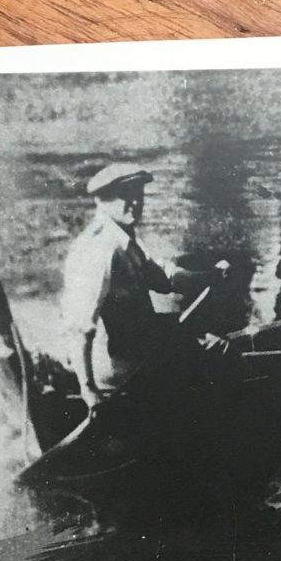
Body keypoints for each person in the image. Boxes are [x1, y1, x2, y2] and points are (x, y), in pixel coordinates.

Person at [61, 162, 228, 409]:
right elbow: (80, 328)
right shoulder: (99, 249)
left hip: (134, 349)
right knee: (219, 354)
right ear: (102, 200)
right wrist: (89, 391)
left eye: (139, 195)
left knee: (206, 339)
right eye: (125, 196)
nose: (136, 203)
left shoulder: (122, 238)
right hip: (120, 370)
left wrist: (210, 276)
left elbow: (163, 280)